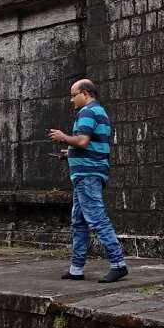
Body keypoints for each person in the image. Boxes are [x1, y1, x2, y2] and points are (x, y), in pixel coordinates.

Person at [49, 79, 128, 283]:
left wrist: (63, 137)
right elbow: (91, 145)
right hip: (87, 174)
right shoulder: (99, 112)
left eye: (73, 95)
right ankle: (76, 269)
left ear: (85, 93)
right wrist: (70, 153)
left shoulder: (88, 112)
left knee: (96, 219)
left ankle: (118, 264)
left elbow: (82, 140)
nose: (71, 100)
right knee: (79, 222)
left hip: (87, 176)